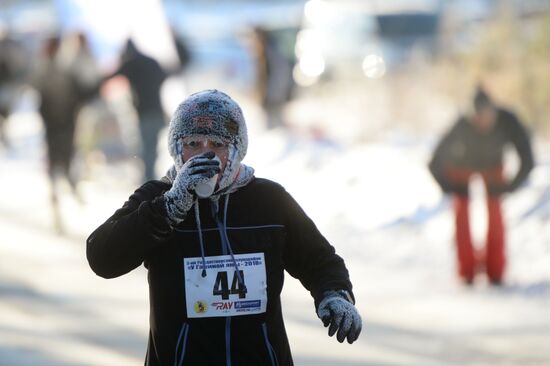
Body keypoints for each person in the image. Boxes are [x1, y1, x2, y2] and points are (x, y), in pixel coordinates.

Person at [86, 89, 362, 365]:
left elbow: (320, 261)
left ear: (236, 149)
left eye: (217, 144)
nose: (204, 155)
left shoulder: (269, 200)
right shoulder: (157, 197)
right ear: (176, 149)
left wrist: (335, 295)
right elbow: (102, 257)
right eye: (193, 143)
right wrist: (169, 208)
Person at [429, 86, 534, 285]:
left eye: (486, 117)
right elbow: (434, 161)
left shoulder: (508, 121)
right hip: (462, 167)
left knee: (495, 213)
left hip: (493, 167)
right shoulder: (461, 124)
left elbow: (527, 159)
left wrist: (511, 186)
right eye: (477, 118)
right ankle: (466, 271)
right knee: (462, 212)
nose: (482, 122)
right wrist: (449, 186)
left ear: (494, 112)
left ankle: (496, 272)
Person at [32, 35, 97, 233]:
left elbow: (40, 104)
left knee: (57, 163)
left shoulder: (45, 72)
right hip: (65, 126)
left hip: (55, 127)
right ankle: (64, 197)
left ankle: (58, 200)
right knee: (66, 160)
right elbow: (83, 95)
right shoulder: (65, 72)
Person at [103, 39, 167, 182]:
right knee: (152, 146)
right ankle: (149, 176)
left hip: (144, 112)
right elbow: (164, 75)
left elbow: (111, 76)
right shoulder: (151, 62)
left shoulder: (131, 64)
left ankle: (147, 178)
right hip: (157, 110)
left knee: (146, 146)